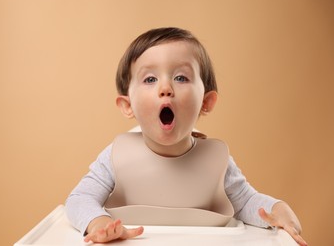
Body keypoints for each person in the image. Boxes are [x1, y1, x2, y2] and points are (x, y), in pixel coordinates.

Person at [65, 27, 307, 245]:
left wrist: (277, 209)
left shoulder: (215, 160)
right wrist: (98, 223)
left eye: (181, 77)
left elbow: (245, 202)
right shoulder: (117, 156)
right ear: (127, 105)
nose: (166, 88)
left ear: (206, 102)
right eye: (150, 79)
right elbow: (79, 199)